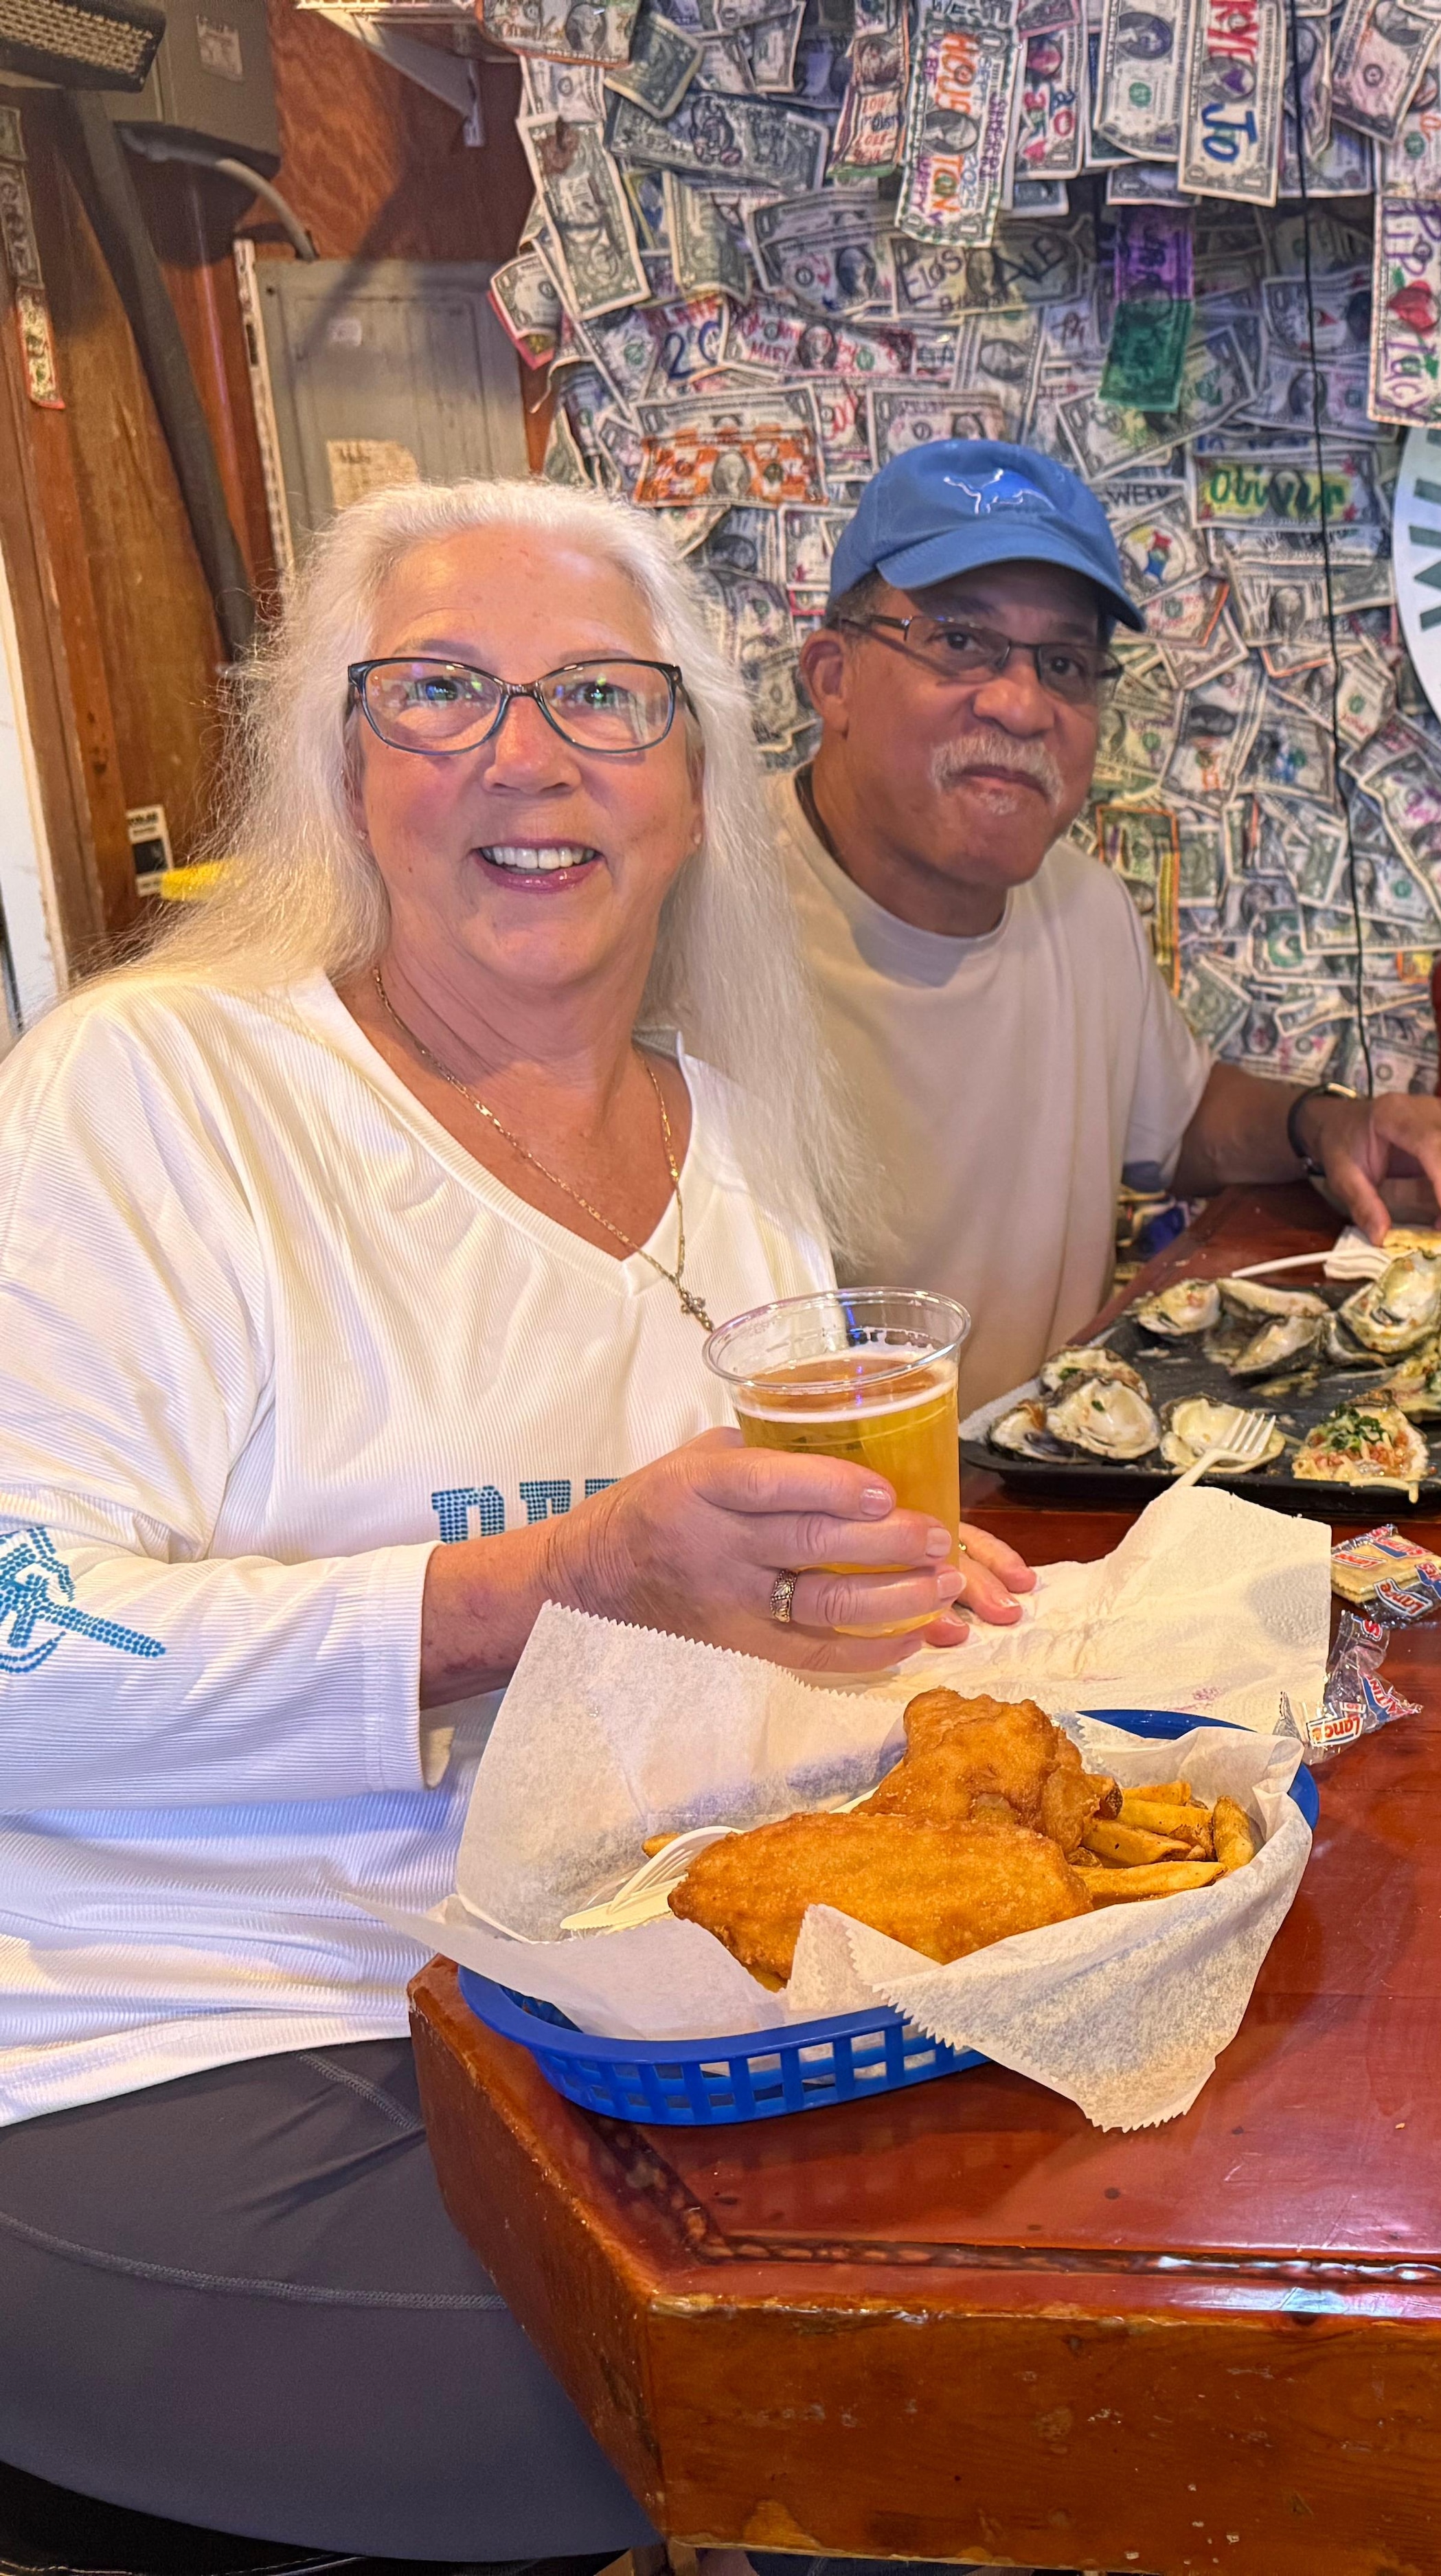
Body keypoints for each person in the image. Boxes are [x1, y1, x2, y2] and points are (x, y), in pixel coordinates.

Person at [0, 480, 1032, 2558]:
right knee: (883, 2395)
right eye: (442, 691)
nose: (525, 755)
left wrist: (886, 1615)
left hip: (575, 2008)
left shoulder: (734, 1145)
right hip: (160, 2039)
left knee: (1063, 2221)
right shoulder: (153, 1093)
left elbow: (730, 1640)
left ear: (695, 789)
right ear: (340, 769)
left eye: (600, 698)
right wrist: (547, 1579)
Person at [785, 438, 1441, 1409]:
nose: (1023, 704)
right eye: (959, 641)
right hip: (817, 1537)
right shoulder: (692, 924)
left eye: (1064, 662)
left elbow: (1178, 1119)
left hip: (1055, 1512)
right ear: (833, 678)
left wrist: (1327, 1123)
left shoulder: (1082, 903)